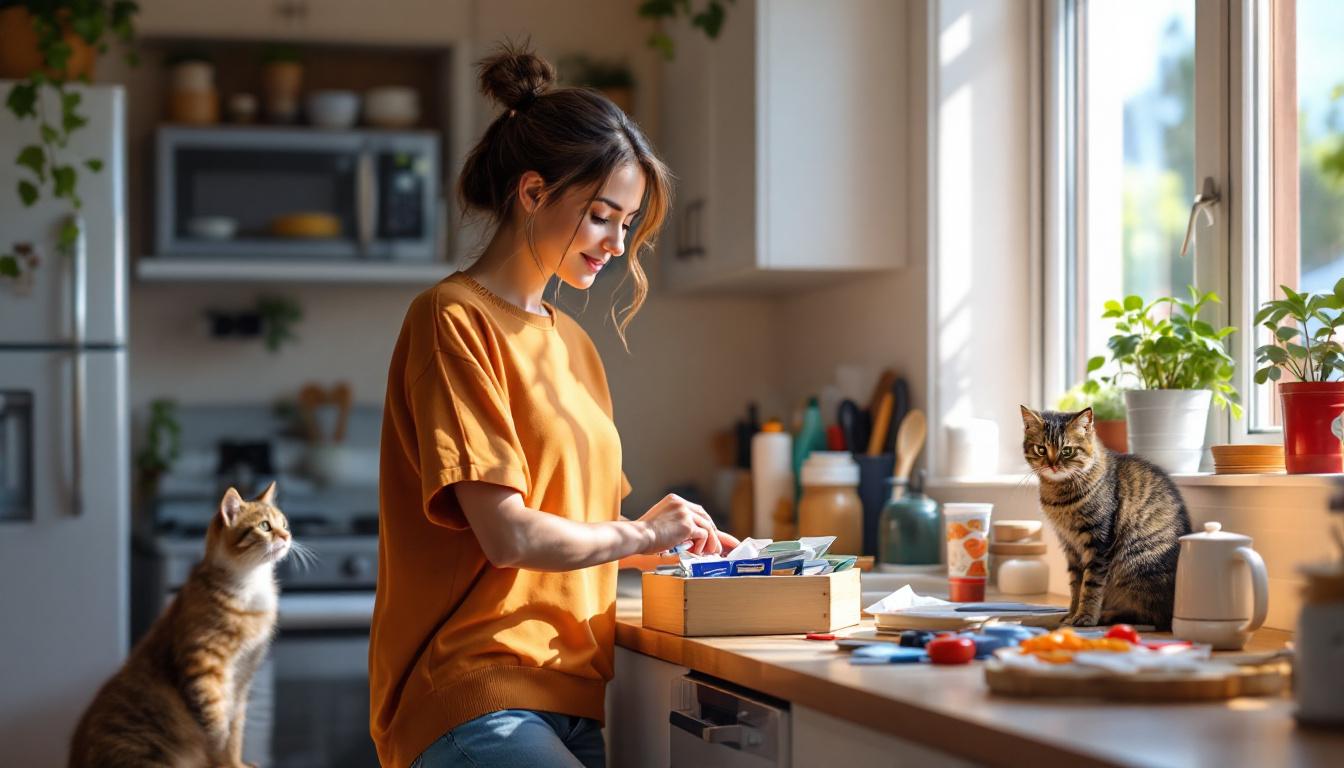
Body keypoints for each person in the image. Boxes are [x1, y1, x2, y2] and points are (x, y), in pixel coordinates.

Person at [369, 44, 739, 768]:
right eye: (603, 215)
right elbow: (509, 537)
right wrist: (638, 533)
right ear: (533, 193)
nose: (616, 243)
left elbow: (570, 536)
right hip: (473, 695)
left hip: (571, 699)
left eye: (627, 224)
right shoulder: (451, 319)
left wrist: (667, 550)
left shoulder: (573, 343)